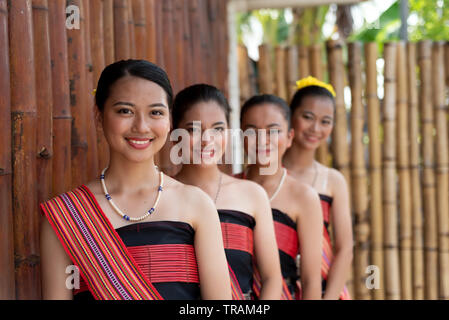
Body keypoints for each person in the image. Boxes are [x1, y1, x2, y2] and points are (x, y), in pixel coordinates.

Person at [40, 60, 232, 300]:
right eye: (125, 111)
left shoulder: (196, 205)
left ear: (169, 121)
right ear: (99, 116)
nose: (141, 126)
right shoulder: (67, 216)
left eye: (155, 112)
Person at [172, 84, 282, 300]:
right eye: (193, 129)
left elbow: (271, 278)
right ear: (174, 133)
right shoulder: (161, 195)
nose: (207, 139)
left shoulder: (252, 195)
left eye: (218, 129)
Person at [239, 94, 323, 300]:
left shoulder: (304, 197)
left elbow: (311, 279)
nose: (262, 140)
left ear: (289, 137)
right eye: (252, 131)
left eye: (273, 131)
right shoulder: (227, 188)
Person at [283, 76, 353, 300]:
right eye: (307, 117)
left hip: (325, 289)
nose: (316, 128)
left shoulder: (333, 180)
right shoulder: (267, 177)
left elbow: (345, 248)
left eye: (325, 121)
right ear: (290, 116)